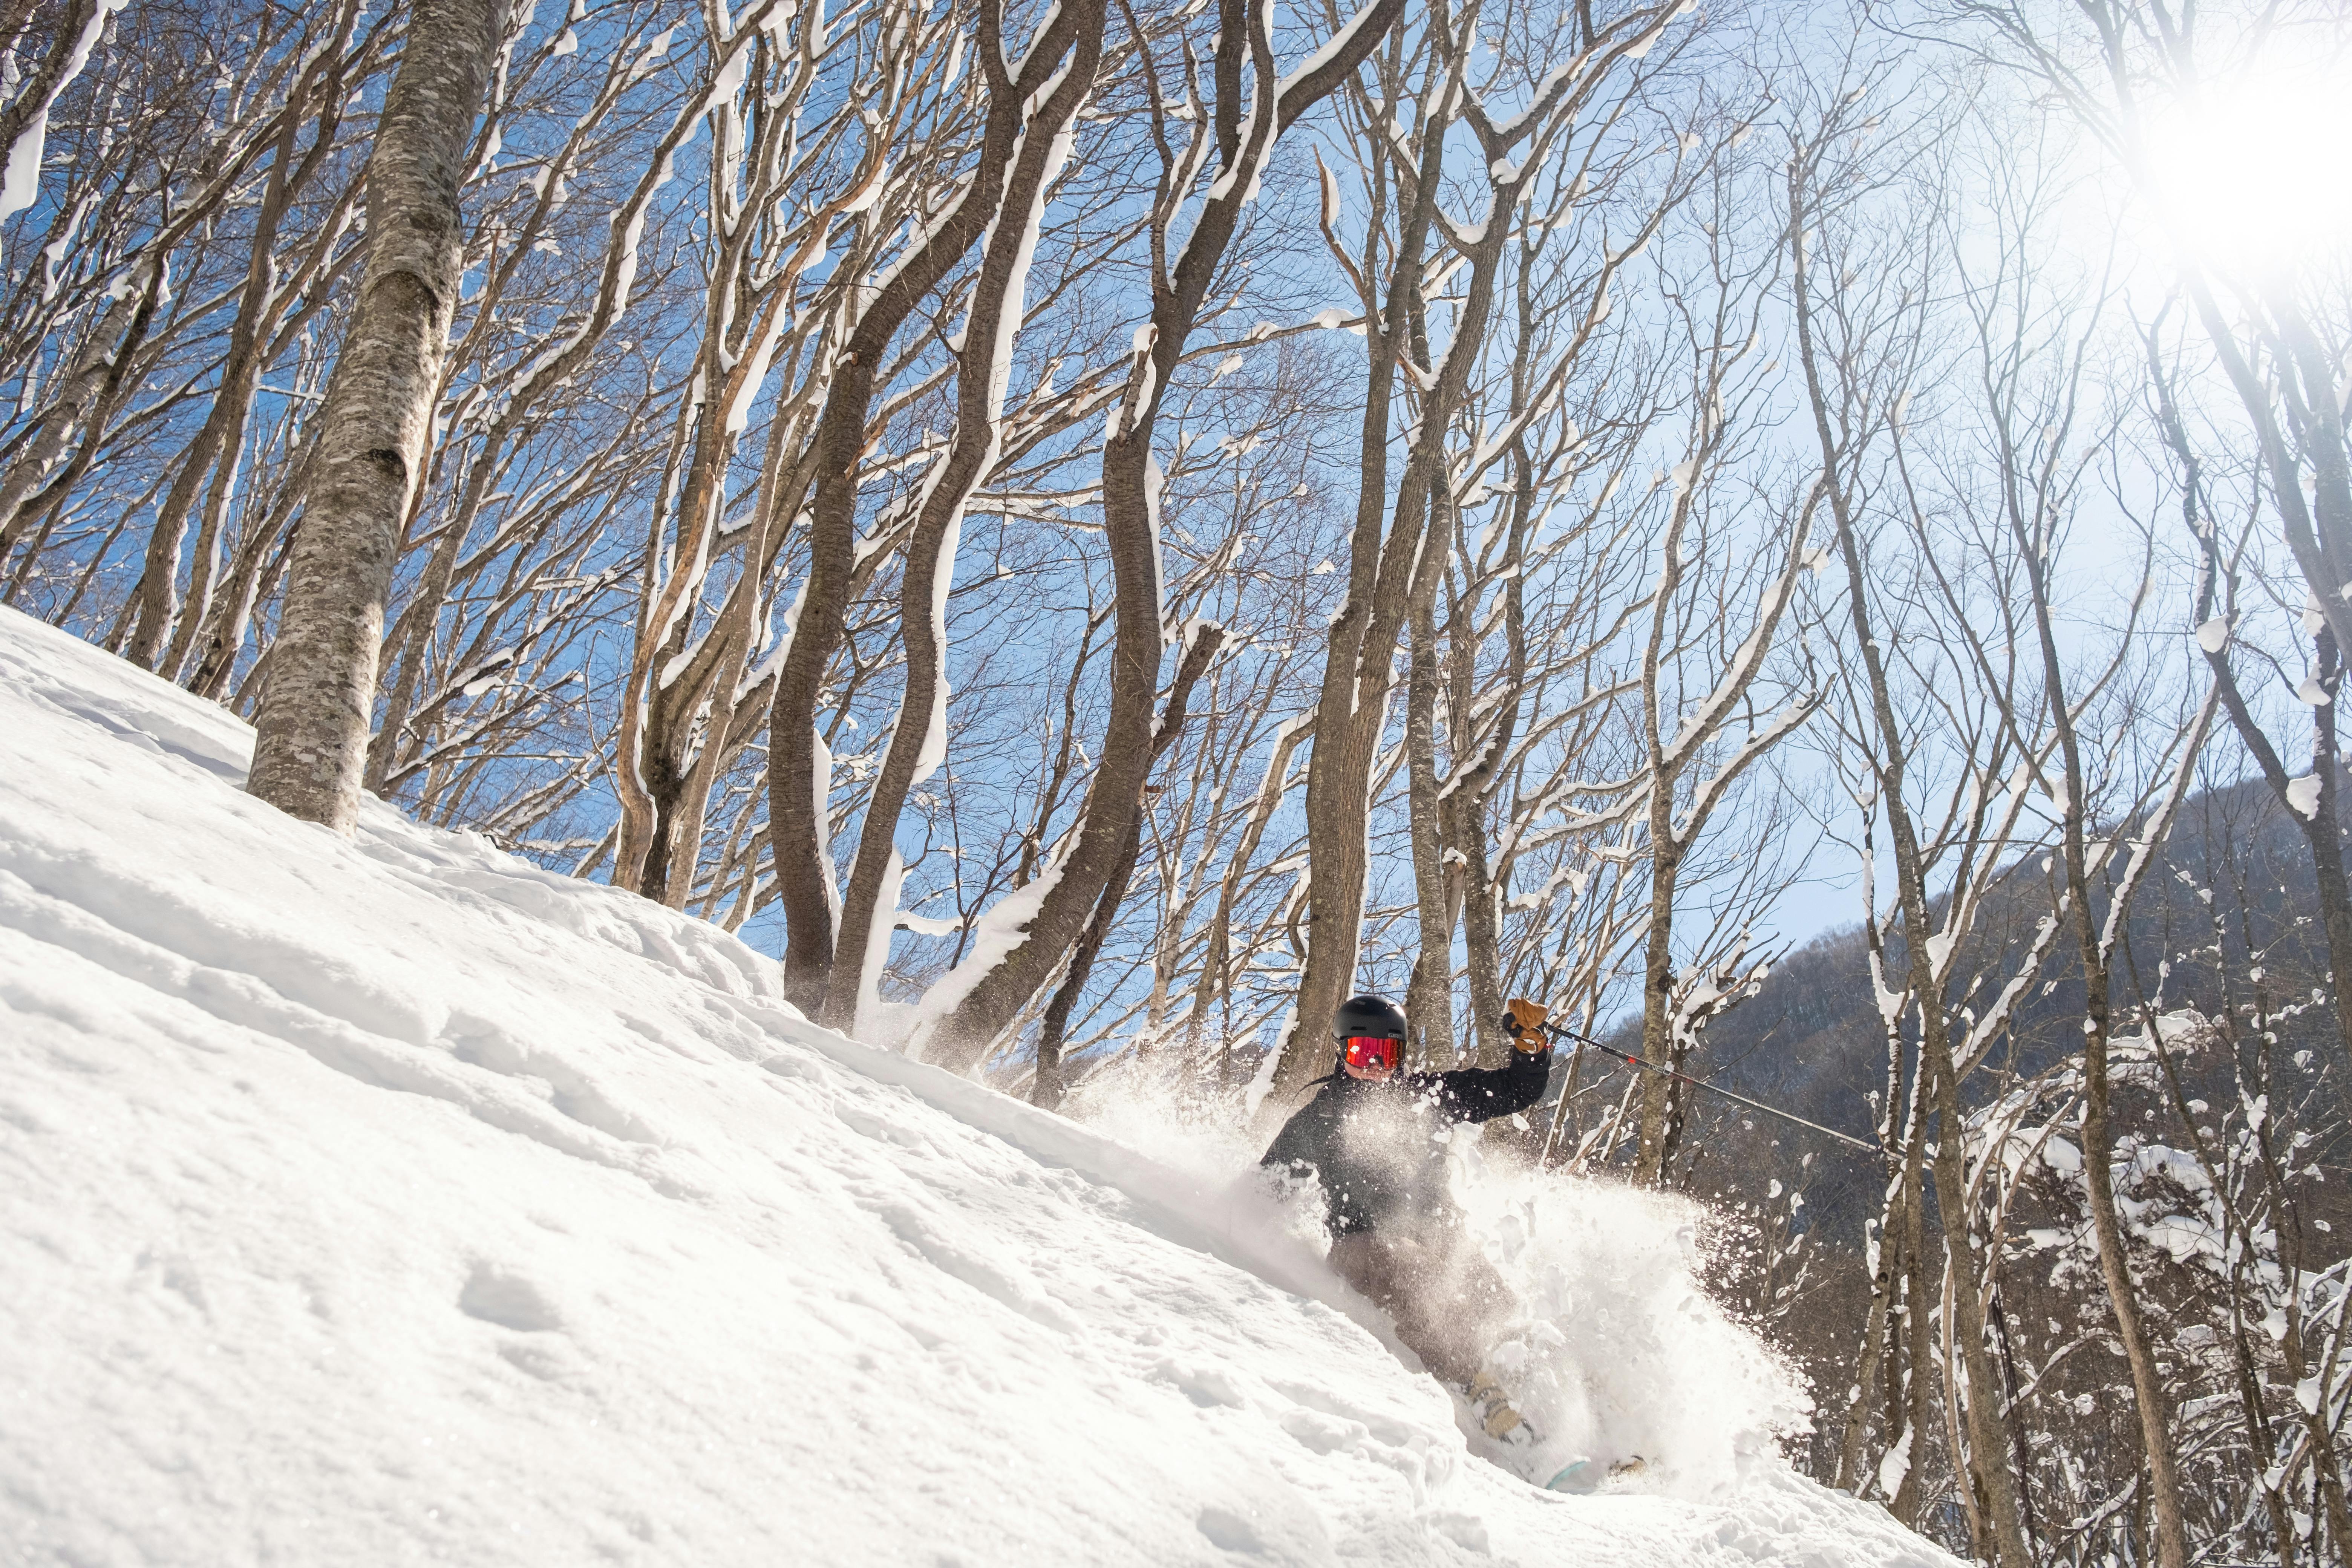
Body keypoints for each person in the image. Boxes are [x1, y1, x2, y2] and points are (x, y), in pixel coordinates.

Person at [1260, 992, 1554, 1441]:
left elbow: (1515, 1090)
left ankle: (1547, 1398)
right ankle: (1478, 1389)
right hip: (1361, 1245)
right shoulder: (1319, 1118)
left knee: (1493, 1302)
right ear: (1342, 1051)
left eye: (1387, 1053)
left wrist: (1531, 1048)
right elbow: (1266, 1189)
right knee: (1406, 1269)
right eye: (1363, 1052)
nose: (1376, 1065)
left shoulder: (1428, 1096)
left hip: (1437, 1232)